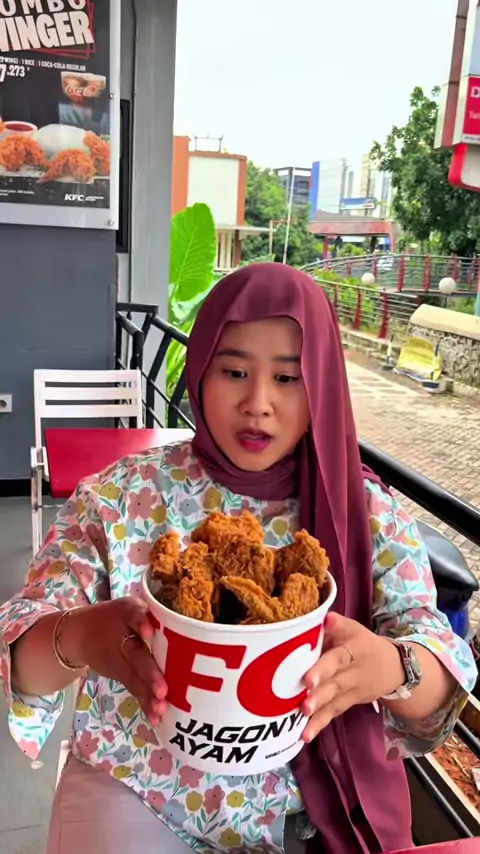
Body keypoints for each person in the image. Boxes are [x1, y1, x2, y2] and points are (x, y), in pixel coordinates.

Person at [0, 264, 476, 854]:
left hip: (306, 812)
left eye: (288, 377)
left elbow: (440, 664)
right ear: (200, 371)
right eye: (234, 371)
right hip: (135, 784)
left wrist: (391, 666)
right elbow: (20, 656)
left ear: (323, 384)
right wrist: (81, 636)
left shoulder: (367, 513)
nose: (258, 403)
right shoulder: (120, 496)